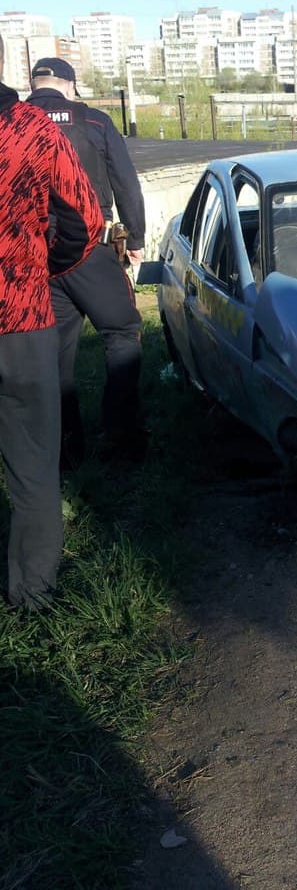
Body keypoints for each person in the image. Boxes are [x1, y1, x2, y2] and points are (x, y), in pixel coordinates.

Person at [0, 36, 102, 608]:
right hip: (23, 316)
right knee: (34, 468)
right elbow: (85, 219)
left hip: (25, 311)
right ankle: (32, 595)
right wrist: (42, 267)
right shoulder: (34, 131)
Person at [27, 57, 147, 463]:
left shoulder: (12, 124)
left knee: (55, 349)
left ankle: (65, 447)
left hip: (35, 257)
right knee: (122, 332)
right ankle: (121, 438)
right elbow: (125, 182)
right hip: (89, 250)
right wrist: (136, 237)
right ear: (70, 87)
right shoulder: (94, 121)